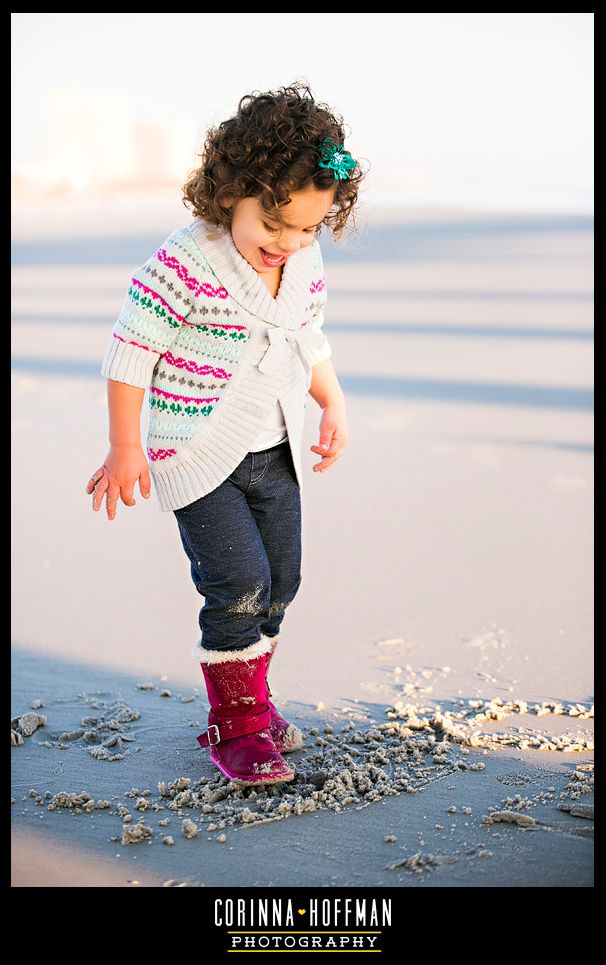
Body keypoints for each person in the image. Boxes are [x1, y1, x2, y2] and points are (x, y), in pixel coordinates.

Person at [85, 81, 364, 786]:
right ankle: (233, 725)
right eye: (275, 226)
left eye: (309, 229)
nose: (290, 243)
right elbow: (130, 351)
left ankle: (254, 700)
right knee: (237, 581)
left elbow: (308, 338)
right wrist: (124, 446)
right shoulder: (186, 260)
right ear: (231, 190)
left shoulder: (302, 261)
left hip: (276, 445)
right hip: (196, 450)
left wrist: (331, 402)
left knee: (282, 579)